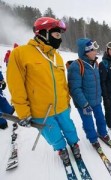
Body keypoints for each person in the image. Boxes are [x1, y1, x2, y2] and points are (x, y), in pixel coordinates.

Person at [7, 17, 80, 166]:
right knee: (52, 134)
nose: (59, 38)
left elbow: (62, 83)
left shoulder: (57, 56)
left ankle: (74, 144)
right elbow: (16, 85)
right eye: (57, 34)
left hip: (62, 107)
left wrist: (67, 101)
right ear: (44, 33)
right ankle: (61, 149)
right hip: (41, 111)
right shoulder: (21, 53)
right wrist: (23, 112)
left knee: (70, 128)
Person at [67, 38, 110, 149]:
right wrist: (84, 104)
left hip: (96, 100)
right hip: (84, 104)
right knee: (88, 123)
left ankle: (102, 133)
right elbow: (75, 88)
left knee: (101, 118)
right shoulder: (76, 66)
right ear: (85, 52)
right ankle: (93, 139)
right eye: (92, 50)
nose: (95, 52)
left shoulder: (95, 63)